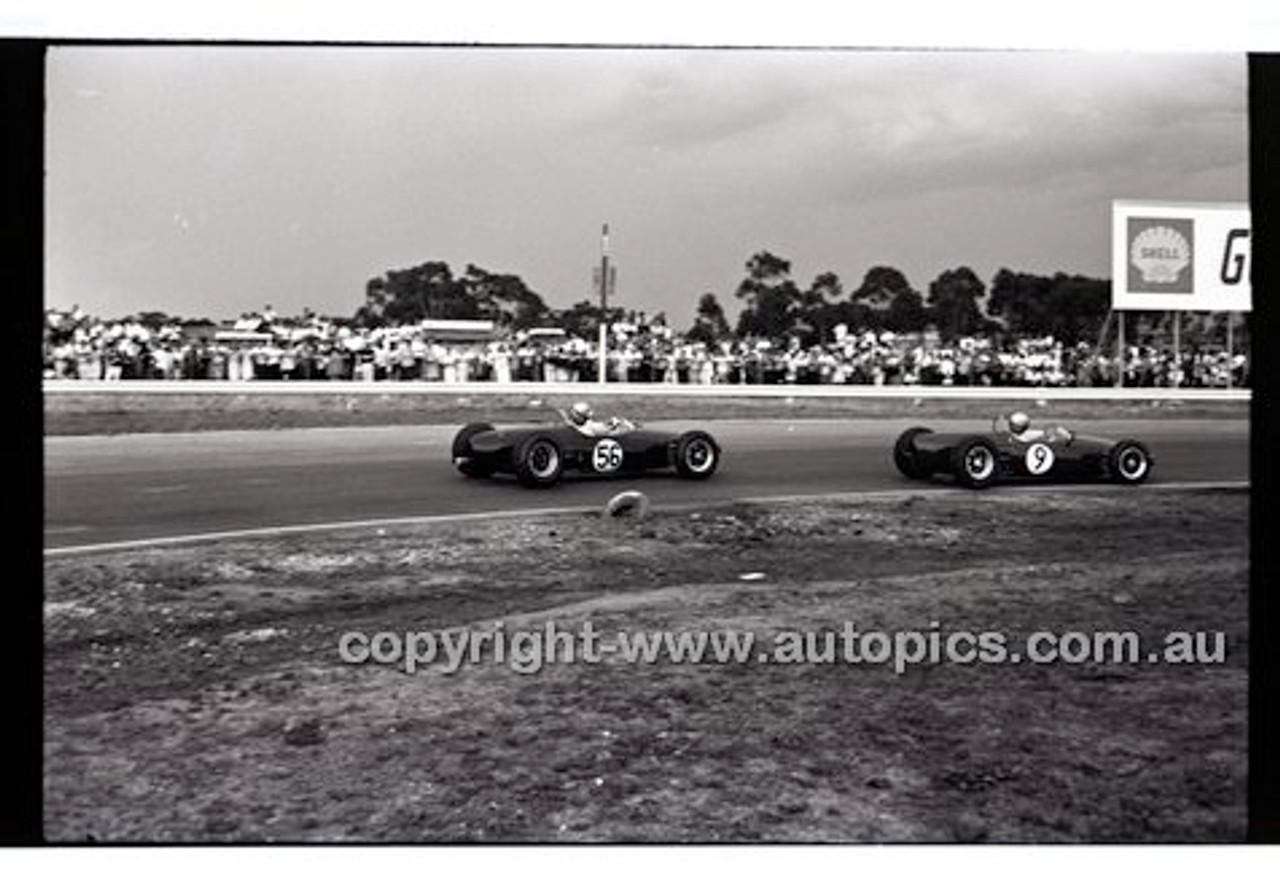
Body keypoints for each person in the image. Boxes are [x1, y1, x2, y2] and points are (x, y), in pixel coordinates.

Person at [566, 401, 631, 437]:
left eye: (575, 414)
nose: (572, 417)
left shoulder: (591, 426)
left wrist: (613, 423)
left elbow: (602, 428)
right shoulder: (587, 426)